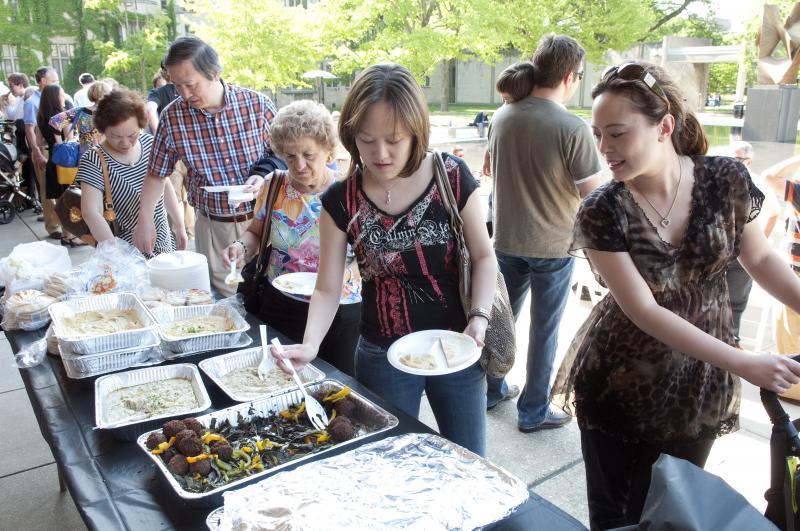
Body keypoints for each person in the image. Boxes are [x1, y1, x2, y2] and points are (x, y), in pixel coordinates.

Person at [552, 61, 800, 530]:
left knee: (673, 509)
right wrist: (742, 361)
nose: (604, 148)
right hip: (620, 383)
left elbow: (763, 261)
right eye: (598, 134)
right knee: (615, 518)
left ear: (664, 126)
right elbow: (644, 310)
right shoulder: (602, 210)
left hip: (697, 387)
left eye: (618, 134)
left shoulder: (725, 181)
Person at [275, 64, 497, 457]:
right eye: (366, 140)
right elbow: (327, 286)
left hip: (457, 347)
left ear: (416, 130)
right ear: (350, 137)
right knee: (388, 461)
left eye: (395, 139)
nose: (380, 154)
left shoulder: (452, 176)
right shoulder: (341, 199)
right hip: (382, 352)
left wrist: (479, 317)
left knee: (470, 460)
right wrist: (310, 345)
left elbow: (482, 256)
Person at [485, 34, 603, 428]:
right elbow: (594, 198)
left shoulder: (502, 116)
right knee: (544, 331)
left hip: (505, 239)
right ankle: (533, 410)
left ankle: (491, 389)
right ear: (570, 77)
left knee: (500, 322)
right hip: (553, 246)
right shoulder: (572, 127)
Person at [221, 100, 361, 374]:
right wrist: (240, 247)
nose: (299, 165)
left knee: (337, 385)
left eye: (308, 155)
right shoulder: (274, 185)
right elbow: (255, 233)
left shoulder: (350, 191)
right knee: (279, 378)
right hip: (281, 304)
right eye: (290, 156)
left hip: (339, 310)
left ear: (327, 150)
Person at [133, 36, 277, 296]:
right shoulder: (173, 117)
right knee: (225, 302)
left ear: (214, 73)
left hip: (264, 221)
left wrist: (262, 175)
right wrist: (145, 220)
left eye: (191, 84)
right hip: (213, 225)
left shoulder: (257, 105)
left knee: (271, 297)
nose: (185, 94)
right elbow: (156, 174)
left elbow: (283, 156)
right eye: (177, 86)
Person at [75, 89, 186, 254]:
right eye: (116, 136)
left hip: (163, 241)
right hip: (124, 249)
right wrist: (118, 255)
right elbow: (91, 213)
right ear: (103, 129)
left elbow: (165, 185)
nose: (125, 143)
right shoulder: (93, 160)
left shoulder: (151, 144)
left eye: (132, 135)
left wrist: (180, 225)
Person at [724, 141, 780, 346]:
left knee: (736, 301)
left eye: (736, 159)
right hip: (724, 248)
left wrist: (759, 241)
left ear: (749, 161)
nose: (731, 163)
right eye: (728, 157)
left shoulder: (756, 181)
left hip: (742, 251)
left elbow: (774, 213)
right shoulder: (722, 179)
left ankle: (732, 340)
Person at [760, 153, 800, 357]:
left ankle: (791, 388)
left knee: (790, 342)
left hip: (795, 275)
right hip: (794, 272)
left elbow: (769, 176)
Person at [36, 84, 84, 247]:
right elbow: (68, 139)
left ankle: (66, 235)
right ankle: (72, 236)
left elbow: (38, 142)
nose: (64, 98)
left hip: (52, 161)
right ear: (56, 97)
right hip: (66, 162)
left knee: (61, 201)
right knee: (71, 200)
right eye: (62, 94)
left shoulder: (41, 117)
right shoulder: (62, 116)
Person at [25, 66, 63, 238]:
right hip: (46, 150)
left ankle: (64, 225)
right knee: (48, 191)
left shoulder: (59, 97)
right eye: (54, 81)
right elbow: (30, 130)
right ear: (42, 81)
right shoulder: (31, 102)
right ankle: (53, 227)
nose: (57, 84)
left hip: (53, 148)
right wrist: (37, 153)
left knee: (61, 190)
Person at [49, 81, 111, 157]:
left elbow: (54, 122)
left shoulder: (79, 111)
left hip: (85, 158)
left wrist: (60, 143)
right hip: (108, 158)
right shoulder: (113, 113)